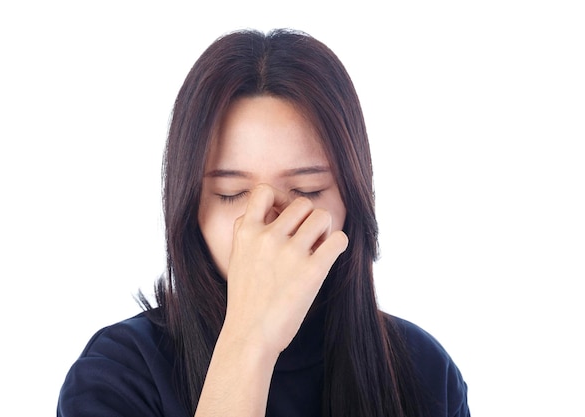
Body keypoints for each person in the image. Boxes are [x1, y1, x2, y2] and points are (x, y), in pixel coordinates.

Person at [57, 29, 470, 417]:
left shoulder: (424, 369)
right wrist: (250, 340)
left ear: (352, 201)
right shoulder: (117, 374)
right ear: (188, 208)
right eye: (231, 194)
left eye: (307, 190)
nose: (267, 226)